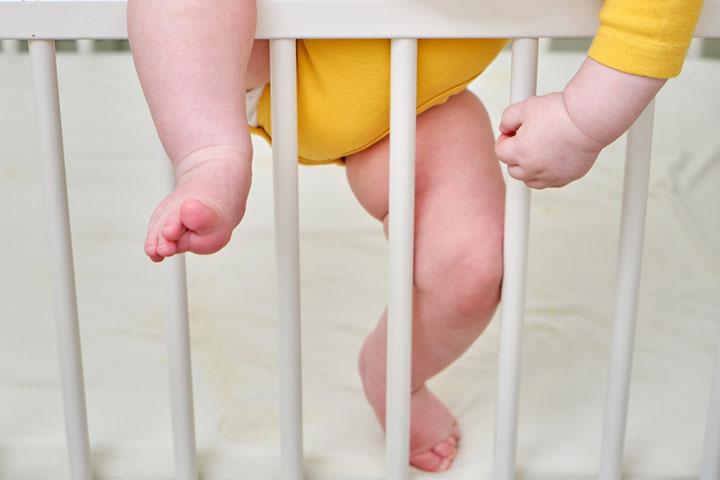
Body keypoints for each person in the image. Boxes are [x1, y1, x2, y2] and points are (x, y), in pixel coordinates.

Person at [127, 0, 702, 471]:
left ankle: (395, 374)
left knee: (474, 266)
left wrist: (585, 117)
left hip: (416, 104)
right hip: (256, 56)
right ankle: (208, 151)